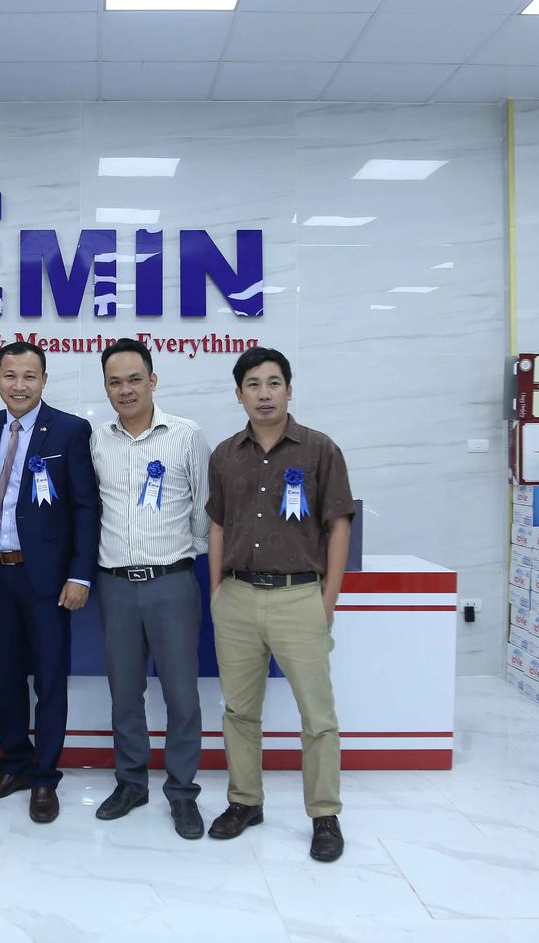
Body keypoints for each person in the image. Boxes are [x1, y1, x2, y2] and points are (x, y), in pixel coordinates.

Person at [205, 346, 355, 862]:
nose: (263, 394)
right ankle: (245, 801)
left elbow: (339, 525)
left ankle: (324, 814)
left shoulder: (319, 449)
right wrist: (217, 592)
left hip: (299, 597)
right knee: (239, 711)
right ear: (239, 394)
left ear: (289, 390)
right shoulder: (225, 454)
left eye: (273, 383)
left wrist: (327, 599)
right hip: (237, 597)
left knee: (318, 716)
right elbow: (218, 526)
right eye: (253, 384)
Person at [0, 341, 99, 823]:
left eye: (29, 376)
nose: (19, 385)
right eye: (10, 375)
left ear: (45, 380)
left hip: (45, 578)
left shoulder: (69, 430)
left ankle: (44, 778)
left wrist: (79, 573)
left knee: (49, 680)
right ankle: (13, 766)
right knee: (6, 679)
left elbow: (86, 508)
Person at [89, 338, 211, 840]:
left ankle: (182, 792)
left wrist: (183, 559)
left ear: (153, 381)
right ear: (106, 388)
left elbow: (205, 508)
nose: (126, 390)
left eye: (134, 379)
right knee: (124, 694)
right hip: (116, 585)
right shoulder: (98, 441)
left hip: (171, 583)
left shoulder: (186, 435)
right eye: (115, 382)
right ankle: (131, 783)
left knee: (182, 695)